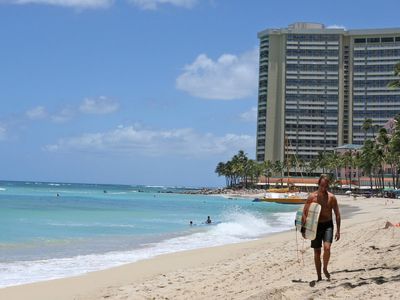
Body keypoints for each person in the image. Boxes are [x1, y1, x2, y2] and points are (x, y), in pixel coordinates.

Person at [302, 174, 341, 281]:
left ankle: (325, 268)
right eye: (322, 186)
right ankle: (319, 276)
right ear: (318, 184)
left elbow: (337, 214)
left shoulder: (332, 198)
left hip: (328, 225)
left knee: (327, 248)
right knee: (317, 252)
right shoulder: (312, 197)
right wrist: (304, 228)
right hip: (315, 226)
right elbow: (304, 213)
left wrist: (338, 230)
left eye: (326, 186)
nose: (324, 188)